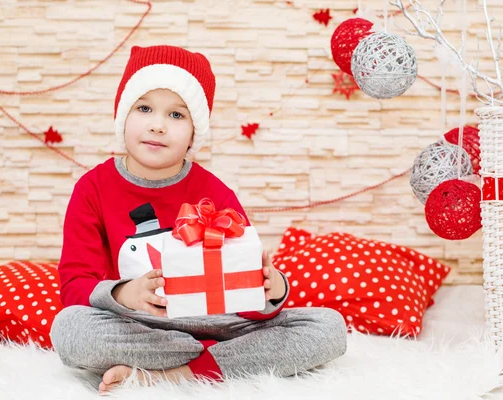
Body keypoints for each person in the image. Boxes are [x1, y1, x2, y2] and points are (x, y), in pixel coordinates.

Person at [49, 45, 347, 395]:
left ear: (195, 132)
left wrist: (271, 290)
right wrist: (125, 293)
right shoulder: (93, 188)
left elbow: (248, 297)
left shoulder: (213, 190)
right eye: (144, 108)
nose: (157, 126)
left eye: (176, 115)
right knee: (69, 328)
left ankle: (180, 373)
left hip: (220, 324)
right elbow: (73, 287)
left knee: (328, 327)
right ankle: (218, 362)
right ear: (122, 116)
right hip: (142, 324)